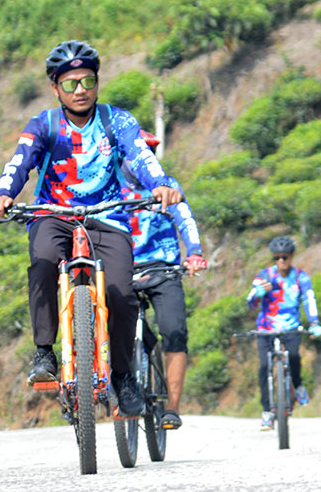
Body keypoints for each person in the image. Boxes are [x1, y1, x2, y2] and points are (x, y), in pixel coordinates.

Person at [0, 40, 181, 417]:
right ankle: (44, 354)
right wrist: (3, 195)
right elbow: (19, 162)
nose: (80, 91)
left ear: (97, 82)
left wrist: (160, 183)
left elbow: (140, 156)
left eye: (88, 81)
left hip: (108, 215)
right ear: (55, 87)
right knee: (42, 261)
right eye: (70, 84)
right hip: (53, 213)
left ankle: (123, 378)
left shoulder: (116, 120)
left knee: (122, 294)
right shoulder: (44, 125)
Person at [121, 131, 207, 430]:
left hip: (163, 269)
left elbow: (184, 217)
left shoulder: (167, 186)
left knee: (175, 331)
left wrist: (194, 253)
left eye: (150, 154)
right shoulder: (106, 188)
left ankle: (171, 407)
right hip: (122, 270)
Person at [246, 236, 321, 431]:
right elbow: (250, 302)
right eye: (277, 257)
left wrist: (314, 322)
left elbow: (309, 299)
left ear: (292, 256)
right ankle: (266, 411)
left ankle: (297, 386)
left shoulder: (300, 277)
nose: (281, 261)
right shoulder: (265, 275)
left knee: (295, 356)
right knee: (264, 368)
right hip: (266, 328)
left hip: (290, 327)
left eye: (285, 257)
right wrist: (257, 294)